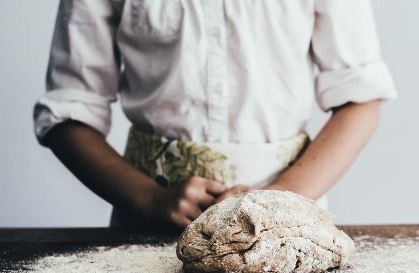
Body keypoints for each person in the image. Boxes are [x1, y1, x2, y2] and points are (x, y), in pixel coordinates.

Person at [35, 0, 396, 230]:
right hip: (147, 225)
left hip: (289, 222)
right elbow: (68, 113)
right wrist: (148, 199)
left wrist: (278, 200)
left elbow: (360, 100)